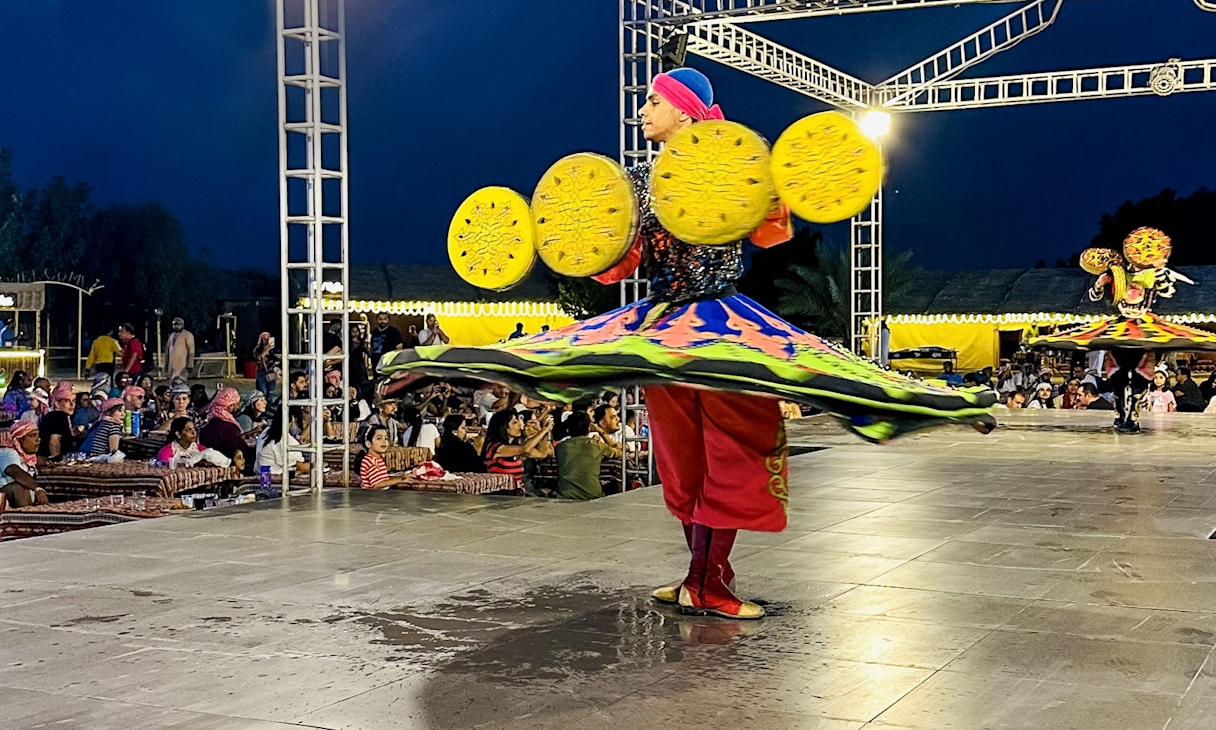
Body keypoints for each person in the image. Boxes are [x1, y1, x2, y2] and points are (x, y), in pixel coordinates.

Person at [378, 66, 996, 619]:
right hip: (668, 329)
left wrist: (775, 188)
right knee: (690, 460)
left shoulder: (729, 166)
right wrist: (578, 238)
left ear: (686, 112)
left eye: (653, 101)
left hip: (718, 331)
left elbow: (771, 231)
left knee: (726, 455)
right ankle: (705, 581)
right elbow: (620, 260)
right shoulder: (643, 185)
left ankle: (706, 578)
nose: (643, 110)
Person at [481, 409, 551, 490]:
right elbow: (525, 448)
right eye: (515, 422)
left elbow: (542, 453)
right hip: (501, 494)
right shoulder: (495, 447)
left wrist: (545, 431)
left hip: (517, 492)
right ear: (504, 428)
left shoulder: (515, 447)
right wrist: (543, 430)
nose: (519, 425)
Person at [556, 412, 619, 500]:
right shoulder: (596, 445)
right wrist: (601, 432)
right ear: (589, 428)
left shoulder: (560, 447)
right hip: (592, 495)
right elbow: (619, 452)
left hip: (565, 494)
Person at [0, 421, 49, 508]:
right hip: (4, 494)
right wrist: (38, 489)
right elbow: (16, 472)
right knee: (20, 487)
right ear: (19, 439)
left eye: (37, 435)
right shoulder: (8, 452)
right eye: (32, 436)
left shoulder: (29, 457)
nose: (38, 439)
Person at [256, 406, 310, 479]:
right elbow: (300, 466)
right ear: (292, 419)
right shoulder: (283, 439)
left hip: (263, 474)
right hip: (271, 478)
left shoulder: (267, 433)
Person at [198, 387, 249, 464]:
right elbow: (240, 447)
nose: (237, 407)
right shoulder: (229, 427)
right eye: (236, 404)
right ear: (229, 406)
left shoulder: (208, 423)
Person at [156, 417, 232, 468]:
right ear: (178, 434)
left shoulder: (201, 449)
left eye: (194, 429)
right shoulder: (166, 451)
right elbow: (164, 468)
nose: (194, 432)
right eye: (189, 430)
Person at [38, 381, 78, 460]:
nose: (71, 405)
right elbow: (54, 442)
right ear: (57, 404)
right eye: (66, 401)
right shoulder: (58, 416)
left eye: (73, 401)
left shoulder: (55, 416)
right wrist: (56, 461)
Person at [359, 425, 408, 489]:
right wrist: (400, 480)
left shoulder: (377, 459)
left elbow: (384, 479)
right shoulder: (369, 461)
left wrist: (402, 477)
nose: (384, 442)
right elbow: (377, 484)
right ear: (368, 443)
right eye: (379, 438)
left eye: (386, 438)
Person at [164, 316, 196, 380]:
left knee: (181, 382)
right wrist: (166, 365)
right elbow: (167, 351)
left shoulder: (188, 335)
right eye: (174, 324)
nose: (176, 326)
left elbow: (191, 351)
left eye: (178, 324)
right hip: (172, 365)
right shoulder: (171, 335)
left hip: (183, 365)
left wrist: (190, 365)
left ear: (182, 325)